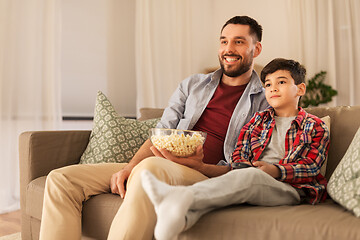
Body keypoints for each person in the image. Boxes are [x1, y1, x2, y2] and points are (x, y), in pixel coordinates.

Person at [39, 16, 268, 240]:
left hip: (206, 175)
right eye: (224, 41)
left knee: (148, 169)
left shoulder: (266, 99)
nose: (228, 49)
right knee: (61, 179)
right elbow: (162, 130)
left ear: (255, 49)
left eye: (239, 42)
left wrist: (202, 166)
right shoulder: (192, 85)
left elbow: (251, 167)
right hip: (159, 163)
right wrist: (129, 167)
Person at [141, 58, 330, 240]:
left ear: (301, 89)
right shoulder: (256, 122)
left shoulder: (314, 126)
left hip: (291, 188)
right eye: (268, 84)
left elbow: (311, 166)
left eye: (281, 82)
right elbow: (238, 157)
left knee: (251, 176)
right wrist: (243, 166)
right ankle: (178, 219)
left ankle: (176, 196)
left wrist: (275, 170)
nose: (273, 88)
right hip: (248, 177)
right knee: (236, 182)